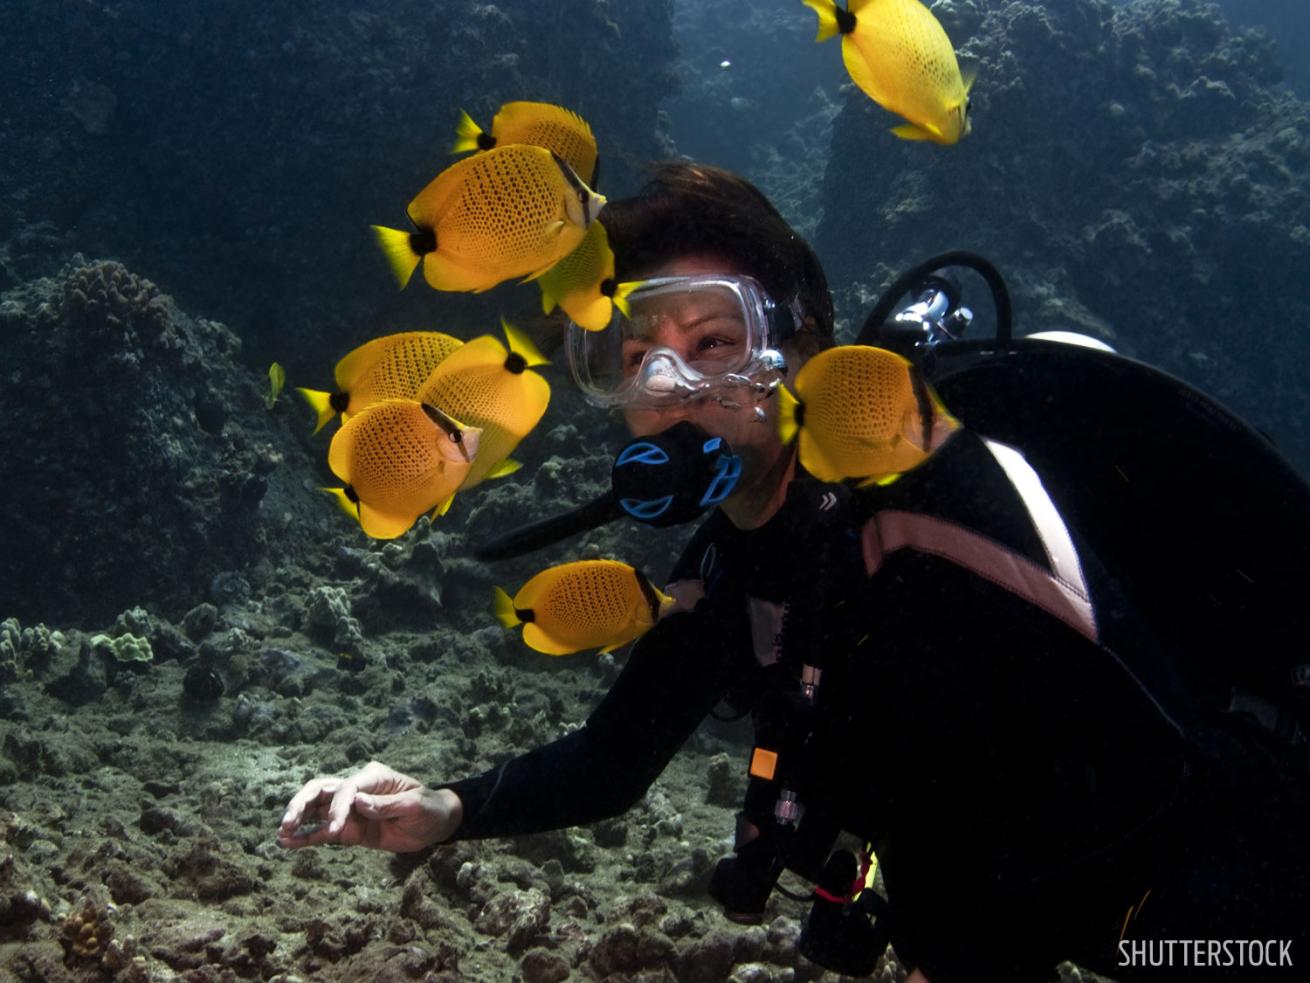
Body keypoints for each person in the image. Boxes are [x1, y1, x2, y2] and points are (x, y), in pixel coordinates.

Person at [279, 163, 1310, 981]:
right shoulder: (736, 554)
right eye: (628, 357)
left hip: (1228, 895)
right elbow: (613, 755)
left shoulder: (932, 490)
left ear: (793, 338)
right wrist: (441, 806)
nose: (671, 385)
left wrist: (965, 939)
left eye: (712, 339)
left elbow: (1154, 760)